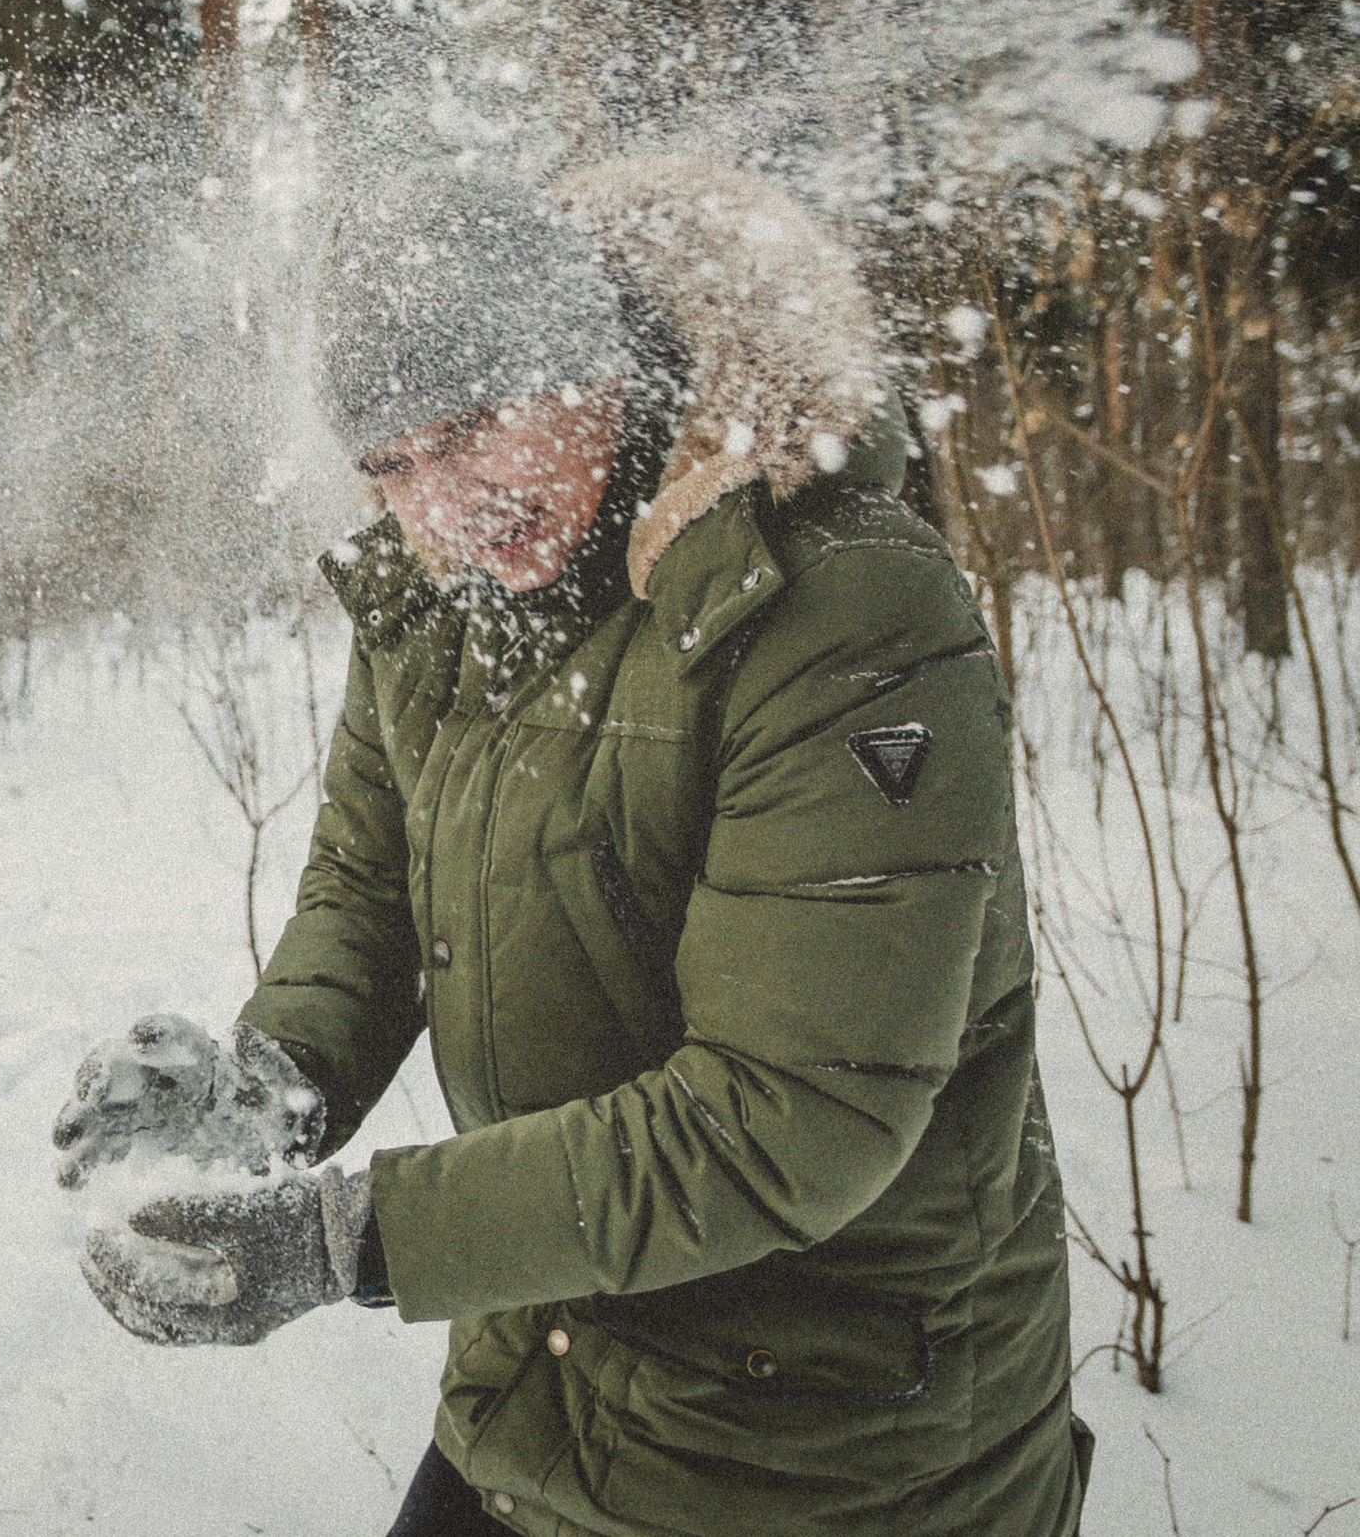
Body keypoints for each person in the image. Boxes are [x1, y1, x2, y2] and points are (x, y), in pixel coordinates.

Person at [55, 156, 1090, 1536]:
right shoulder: (444, 611)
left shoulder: (840, 608)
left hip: (837, 1449)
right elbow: (367, 902)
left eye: (478, 423)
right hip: (548, 1378)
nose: (444, 504)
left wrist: (345, 1237)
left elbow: (788, 1117)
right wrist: (259, 1095)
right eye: (393, 463)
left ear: (599, 364)